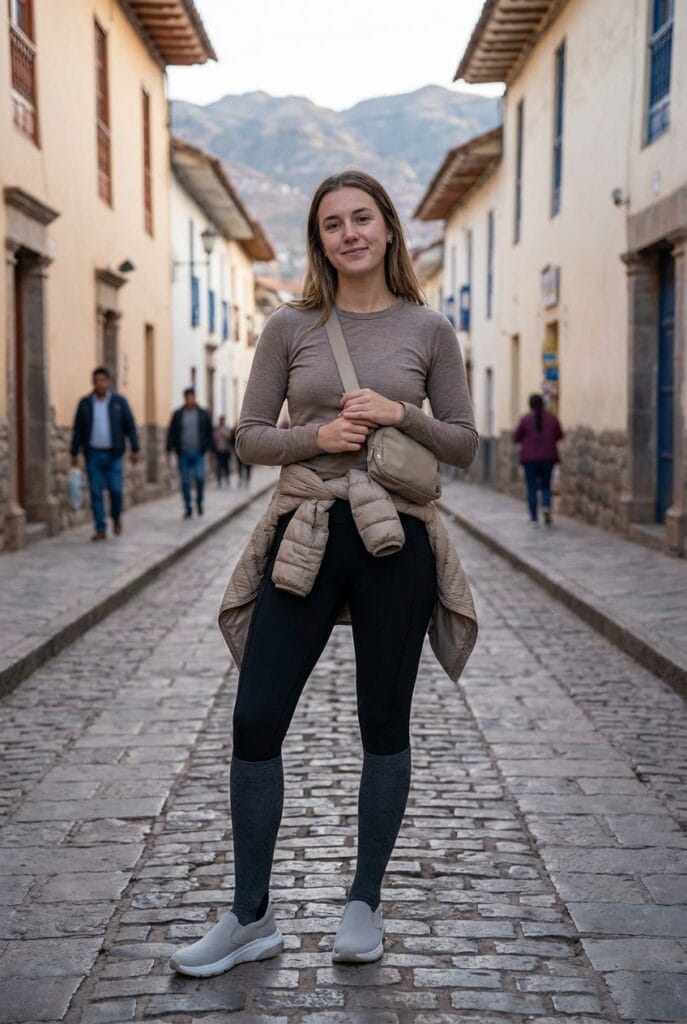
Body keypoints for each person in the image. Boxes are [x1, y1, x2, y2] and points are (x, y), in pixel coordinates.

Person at [169, 169, 479, 978]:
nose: (349, 233)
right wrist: (318, 440)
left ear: (386, 229)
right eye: (333, 223)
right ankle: (249, 915)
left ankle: (362, 902)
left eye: (362, 218)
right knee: (255, 717)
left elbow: (461, 442)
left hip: (394, 544)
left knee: (383, 719)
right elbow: (246, 437)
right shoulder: (289, 325)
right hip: (304, 530)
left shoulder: (429, 329)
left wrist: (394, 413)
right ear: (320, 240)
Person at [70, 366, 139, 541]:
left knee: (116, 490)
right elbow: (78, 429)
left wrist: (135, 448)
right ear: (93, 382)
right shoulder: (85, 403)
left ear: (108, 382)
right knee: (95, 492)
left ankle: (116, 517)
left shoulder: (119, 402)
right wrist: (74, 452)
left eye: (103, 380)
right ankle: (100, 527)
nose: (100, 383)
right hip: (93, 454)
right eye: (96, 380)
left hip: (114, 454)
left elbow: (130, 425)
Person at [513, 393, 564, 525]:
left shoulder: (525, 419)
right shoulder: (552, 419)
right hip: (548, 457)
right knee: (546, 485)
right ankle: (546, 506)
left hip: (529, 458)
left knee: (532, 487)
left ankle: (534, 518)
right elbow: (559, 435)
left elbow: (516, 437)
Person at [166, 388, 214, 518]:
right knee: (185, 482)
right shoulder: (178, 414)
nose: (190, 400)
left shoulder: (202, 414)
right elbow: (172, 432)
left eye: (191, 397)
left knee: (199, 478)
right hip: (183, 453)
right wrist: (169, 449)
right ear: (185, 399)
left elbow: (209, 432)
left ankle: (199, 501)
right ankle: (188, 507)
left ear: (194, 397)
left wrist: (210, 449)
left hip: (199, 452)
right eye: (187, 398)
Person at [213, 415, 233, 486]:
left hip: (226, 450)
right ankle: (219, 481)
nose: (221, 422)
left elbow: (229, 437)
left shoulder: (227, 428)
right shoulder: (216, 429)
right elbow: (214, 438)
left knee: (226, 466)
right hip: (218, 451)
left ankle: (227, 479)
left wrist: (223, 433)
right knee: (219, 466)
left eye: (222, 420)